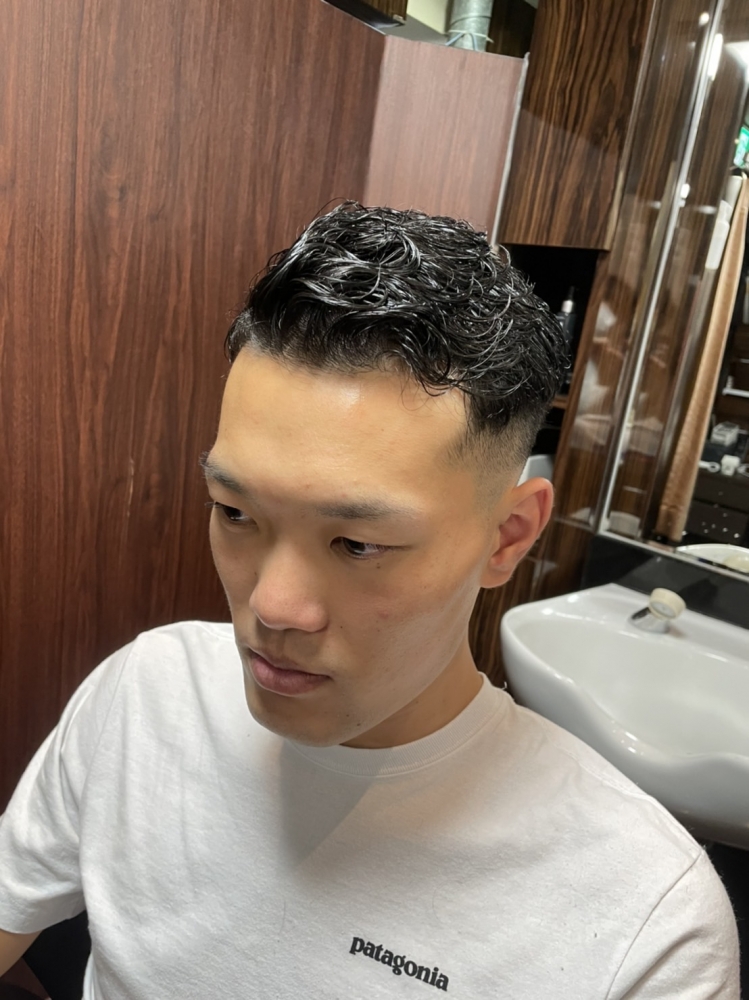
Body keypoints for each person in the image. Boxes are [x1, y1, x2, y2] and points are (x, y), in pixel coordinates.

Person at [0, 203, 739, 998]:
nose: (273, 607)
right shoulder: (144, 695)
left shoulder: (644, 923)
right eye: (235, 513)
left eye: (357, 545)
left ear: (507, 537)